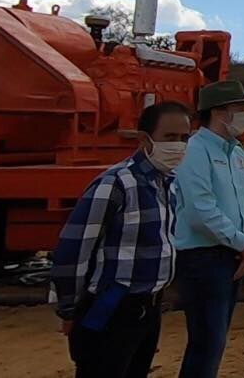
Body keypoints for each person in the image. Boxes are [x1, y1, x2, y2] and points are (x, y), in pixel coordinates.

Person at [51, 101, 192, 378]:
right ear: (144, 139)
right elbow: (74, 250)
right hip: (112, 307)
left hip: (148, 307)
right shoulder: (115, 184)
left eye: (184, 138)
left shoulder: (166, 184)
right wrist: (68, 309)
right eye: (169, 138)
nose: (178, 145)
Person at [173, 80, 244, 378]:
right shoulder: (194, 150)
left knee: (216, 340)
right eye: (240, 109)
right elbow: (201, 210)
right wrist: (243, 245)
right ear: (219, 112)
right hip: (202, 258)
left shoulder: (236, 151)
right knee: (206, 343)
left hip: (232, 255)